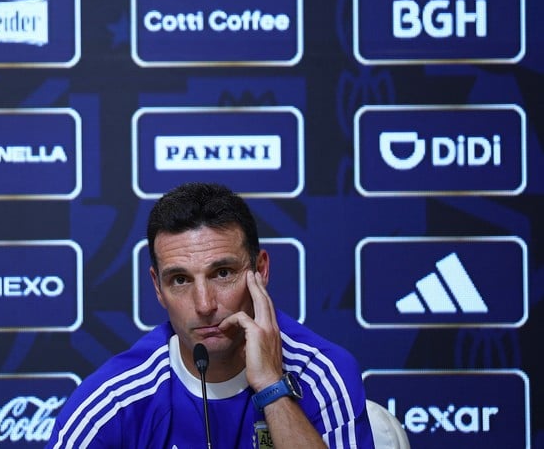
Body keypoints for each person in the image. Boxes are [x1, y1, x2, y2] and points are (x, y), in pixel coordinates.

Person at [47, 182, 374, 448]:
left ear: (260, 270)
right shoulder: (115, 399)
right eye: (180, 280)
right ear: (157, 288)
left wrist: (273, 387)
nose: (204, 305)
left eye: (222, 273)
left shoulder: (321, 374)